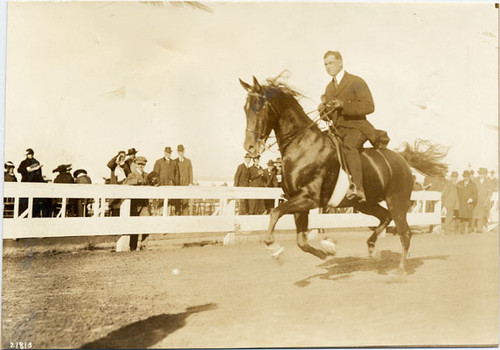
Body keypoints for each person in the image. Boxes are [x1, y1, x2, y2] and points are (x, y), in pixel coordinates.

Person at [318, 51, 389, 203]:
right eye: (326, 64)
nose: (328, 67)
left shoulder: (356, 81)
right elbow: (329, 116)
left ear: (340, 62)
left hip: (358, 127)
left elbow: (369, 106)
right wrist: (323, 110)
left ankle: (359, 188)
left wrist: (344, 105)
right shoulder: (329, 88)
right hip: (338, 130)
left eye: (331, 63)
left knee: (350, 146)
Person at [124, 156, 150, 250]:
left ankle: (144, 245)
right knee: (134, 225)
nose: (141, 166)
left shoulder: (147, 175)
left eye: (143, 164)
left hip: (144, 204)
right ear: (135, 164)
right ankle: (133, 246)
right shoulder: (132, 175)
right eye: (139, 164)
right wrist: (136, 181)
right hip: (134, 204)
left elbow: (151, 182)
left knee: (146, 223)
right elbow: (125, 183)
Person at [17, 148, 47, 217]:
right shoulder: (24, 162)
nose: (29, 155)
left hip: (33, 183)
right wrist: (27, 169)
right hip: (26, 183)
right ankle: (24, 214)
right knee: (25, 200)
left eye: (30, 154)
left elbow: (39, 174)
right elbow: (19, 170)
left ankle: (32, 214)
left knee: (33, 201)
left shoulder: (36, 162)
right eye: (28, 154)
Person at [153, 146, 179, 215]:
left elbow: (177, 174)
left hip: (170, 186)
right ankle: (160, 215)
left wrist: (174, 183)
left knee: (169, 203)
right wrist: (157, 183)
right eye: (167, 152)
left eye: (169, 153)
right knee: (161, 202)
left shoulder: (174, 162)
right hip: (161, 185)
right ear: (164, 153)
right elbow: (155, 174)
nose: (168, 154)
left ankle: (168, 215)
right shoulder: (159, 162)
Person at [175, 144, 194, 215]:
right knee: (177, 201)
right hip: (178, 185)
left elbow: (190, 172)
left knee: (185, 202)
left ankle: (185, 217)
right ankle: (177, 216)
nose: (181, 153)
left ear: (184, 151)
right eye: (179, 151)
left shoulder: (188, 161)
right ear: (177, 152)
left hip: (186, 184)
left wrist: (191, 183)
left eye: (182, 151)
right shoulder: (175, 161)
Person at [472, 168, 492, 233]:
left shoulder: (488, 181)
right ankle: (472, 228)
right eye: (480, 174)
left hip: (483, 201)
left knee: (481, 215)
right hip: (476, 200)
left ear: (485, 174)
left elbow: (490, 193)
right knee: (474, 214)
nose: (481, 175)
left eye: (483, 174)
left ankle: (479, 228)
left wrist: (487, 201)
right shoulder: (475, 180)